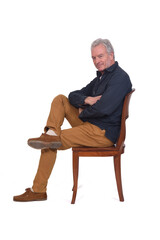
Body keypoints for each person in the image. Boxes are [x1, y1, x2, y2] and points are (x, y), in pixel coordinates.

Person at [13, 38, 132, 202]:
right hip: (92, 125)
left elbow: (104, 108)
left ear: (111, 55)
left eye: (100, 56)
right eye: (94, 58)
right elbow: (73, 95)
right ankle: (51, 133)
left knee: (49, 142)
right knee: (61, 99)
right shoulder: (101, 77)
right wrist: (88, 100)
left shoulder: (120, 78)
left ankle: (38, 190)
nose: (97, 61)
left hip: (102, 133)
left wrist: (83, 112)